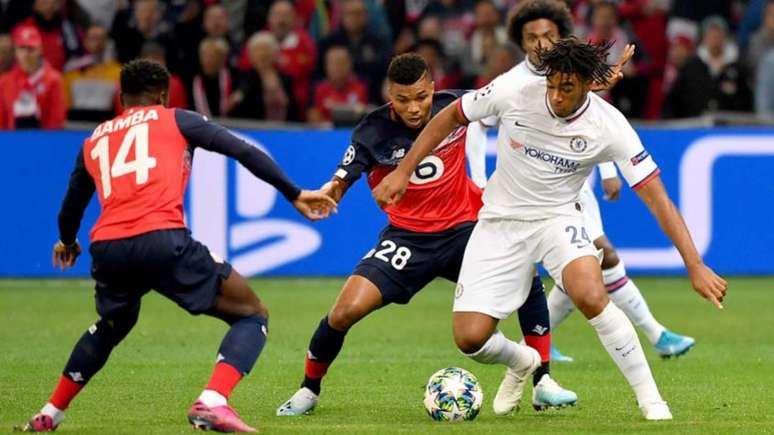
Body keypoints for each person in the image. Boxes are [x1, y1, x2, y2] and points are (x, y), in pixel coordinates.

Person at [372, 38, 728, 420]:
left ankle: (652, 401)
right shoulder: (514, 90)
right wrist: (404, 171)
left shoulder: (610, 127)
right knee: (470, 338)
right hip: (499, 222)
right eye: (551, 84)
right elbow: (451, 116)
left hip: (558, 218)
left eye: (567, 88)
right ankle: (524, 360)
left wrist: (694, 264)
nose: (555, 96)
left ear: (590, 85)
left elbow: (658, 199)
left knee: (590, 293)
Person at [18, 59, 336, 433]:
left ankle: (50, 412)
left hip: (107, 247)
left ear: (121, 98)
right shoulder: (176, 119)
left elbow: (72, 203)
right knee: (252, 314)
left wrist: (68, 241)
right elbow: (243, 151)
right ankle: (213, 401)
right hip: (160, 238)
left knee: (112, 325)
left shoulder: (96, 138)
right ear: (164, 96)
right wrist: (294, 193)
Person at [276, 53, 577, 418]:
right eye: (403, 100)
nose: (414, 108)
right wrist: (331, 193)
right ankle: (309, 390)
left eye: (421, 97)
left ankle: (543, 379)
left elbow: (520, 91)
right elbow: (343, 177)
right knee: (343, 312)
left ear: (433, 89)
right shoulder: (371, 131)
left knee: (526, 274)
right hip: (407, 239)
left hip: (466, 230)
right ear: (390, 94)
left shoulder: (455, 106)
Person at [499, 0, 696, 362]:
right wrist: (480, 179)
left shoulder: (567, 73)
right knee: (595, 258)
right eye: (532, 37)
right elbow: (475, 124)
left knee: (591, 261)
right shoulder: (513, 84)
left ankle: (546, 341)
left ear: (562, 37)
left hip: (572, 186)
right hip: (530, 191)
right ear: (521, 42)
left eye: (549, 35)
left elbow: (592, 118)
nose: (542, 44)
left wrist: (607, 171)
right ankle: (655, 334)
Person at [0, 25, 65, 129]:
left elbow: (56, 123)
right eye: (22, 48)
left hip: (44, 142)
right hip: (10, 142)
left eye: (31, 49)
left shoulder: (54, 80)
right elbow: (1, 123)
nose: (26, 54)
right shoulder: (4, 82)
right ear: (15, 51)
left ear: (40, 50)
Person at [63, 24, 121, 122]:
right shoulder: (72, 70)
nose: (98, 43)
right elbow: (65, 105)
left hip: (106, 125)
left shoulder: (117, 71)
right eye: (93, 38)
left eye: (101, 38)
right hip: (75, 125)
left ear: (107, 42)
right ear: (85, 41)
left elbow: (121, 107)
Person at [308, 45, 368, 123]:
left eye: (341, 63)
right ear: (326, 66)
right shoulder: (318, 89)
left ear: (350, 64)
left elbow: (366, 114)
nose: (337, 67)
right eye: (333, 63)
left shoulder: (362, 87)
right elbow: (312, 115)